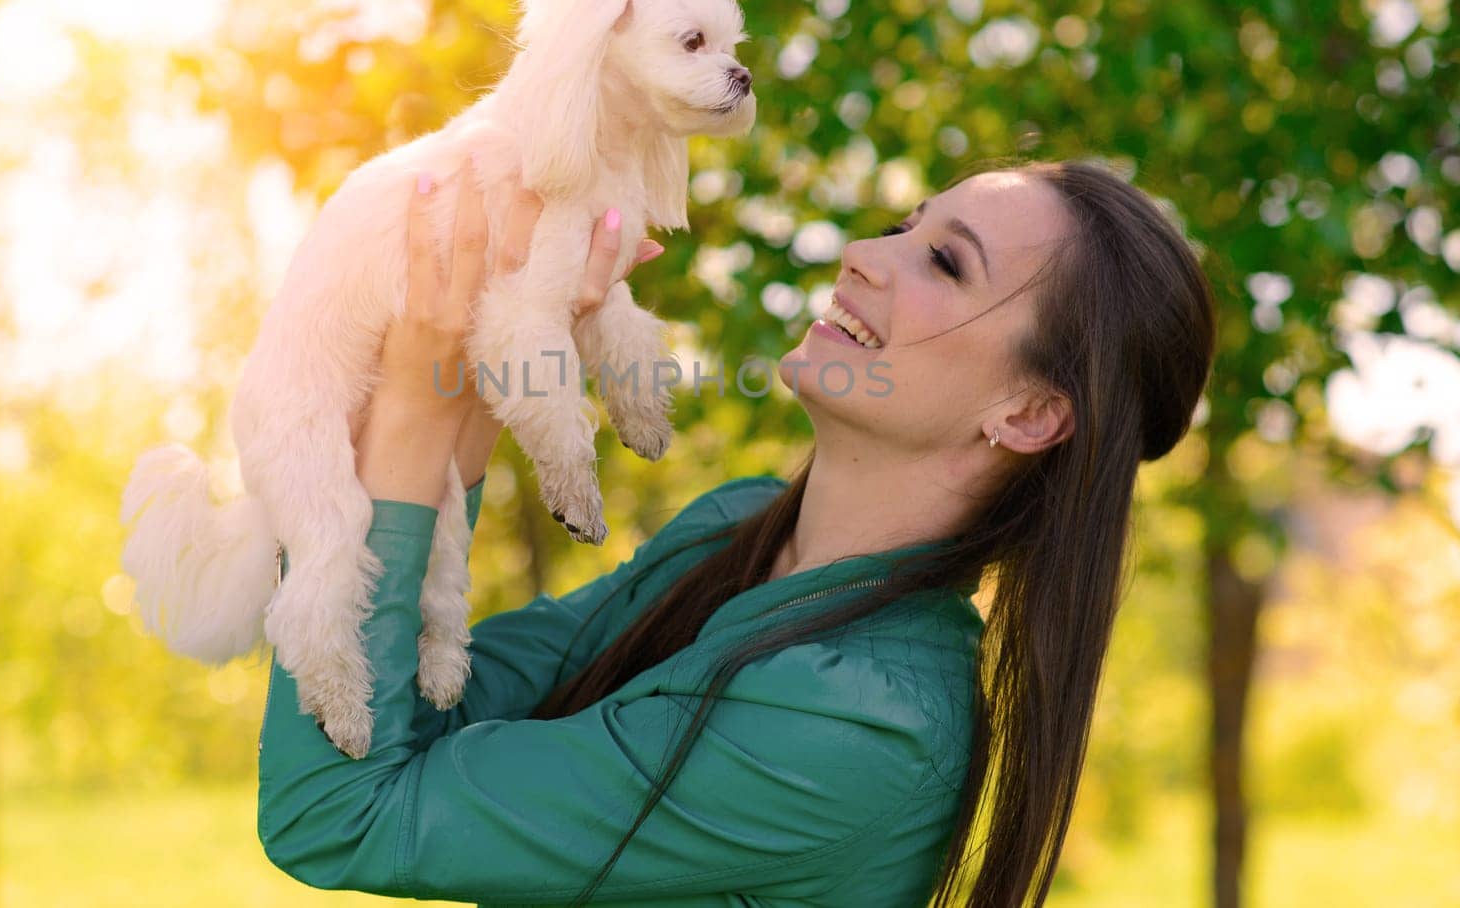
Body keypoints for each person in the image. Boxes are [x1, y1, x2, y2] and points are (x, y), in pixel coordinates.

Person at [256, 158, 1218, 907]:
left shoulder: (856, 725)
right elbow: (428, 718)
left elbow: (340, 814)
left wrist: (420, 416)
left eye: (944, 261)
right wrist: (474, 359)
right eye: (903, 225)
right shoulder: (736, 529)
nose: (865, 254)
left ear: (1030, 412)